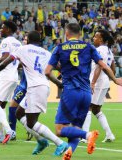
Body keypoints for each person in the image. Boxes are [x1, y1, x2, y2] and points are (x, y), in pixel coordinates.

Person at [44, 23, 122, 160]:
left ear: (66, 34)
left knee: (59, 130)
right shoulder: (89, 47)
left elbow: (47, 71)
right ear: (79, 34)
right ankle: (69, 153)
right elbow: (103, 65)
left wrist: (59, 84)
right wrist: (115, 80)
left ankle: (88, 135)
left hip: (70, 92)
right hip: (86, 93)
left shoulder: (60, 48)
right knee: (76, 128)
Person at [0, 31, 68, 156]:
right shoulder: (46, 53)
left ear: (29, 39)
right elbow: (58, 67)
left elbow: (5, 62)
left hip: (36, 88)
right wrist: (60, 81)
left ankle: (60, 143)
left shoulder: (23, 49)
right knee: (19, 113)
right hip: (39, 87)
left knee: (31, 122)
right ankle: (41, 140)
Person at [0, 21, 21, 144]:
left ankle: (8, 130)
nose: (0, 30)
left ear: (8, 29)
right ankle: (1, 135)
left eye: (2, 28)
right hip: (14, 75)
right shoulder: (18, 43)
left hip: (6, 75)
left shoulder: (6, 41)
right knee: (1, 106)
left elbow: (5, 56)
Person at [81, 29, 117, 143]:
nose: (93, 38)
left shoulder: (100, 50)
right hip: (104, 82)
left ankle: (85, 136)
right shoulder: (109, 51)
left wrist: (92, 82)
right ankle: (109, 134)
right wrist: (110, 78)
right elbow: (113, 68)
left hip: (97, 82)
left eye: (96, 37)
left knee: (87, 107)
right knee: (96, 110)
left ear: (101, 39)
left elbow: (99, 66)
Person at [7, 35, 30, 140]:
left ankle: (13, 132)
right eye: (24, 39)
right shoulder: (31, 52)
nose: (24, 41)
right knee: (21, 111)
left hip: (25, 86)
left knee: (12, 108)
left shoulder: (26, 52)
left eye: (25, 39)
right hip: (23, 84)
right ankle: (29, 129)